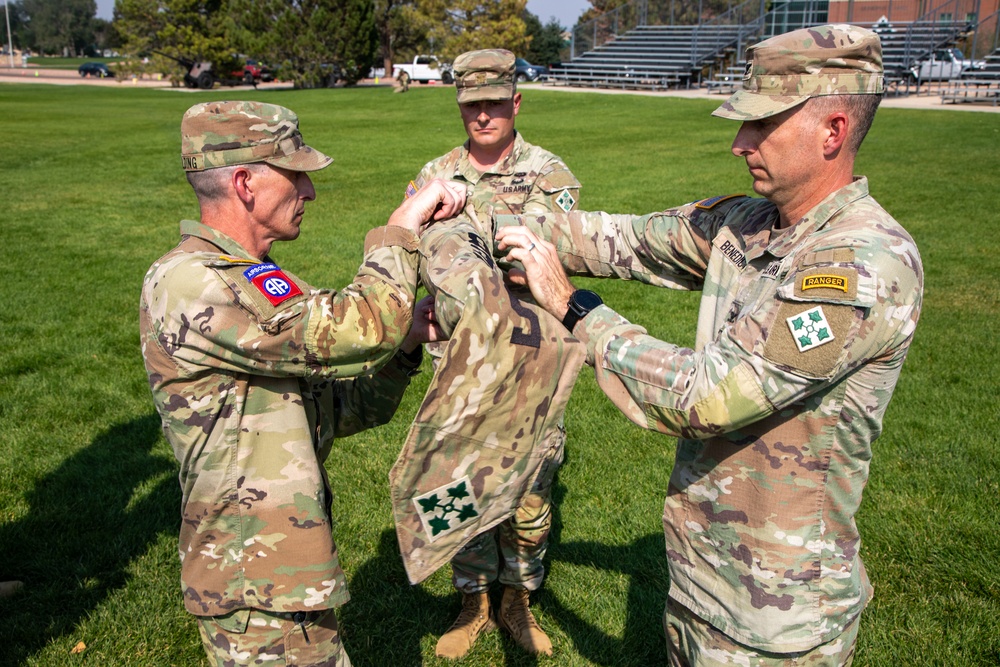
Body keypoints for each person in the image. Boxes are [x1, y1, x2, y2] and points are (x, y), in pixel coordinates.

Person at [495, 24, 923, 665]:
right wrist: (492, 223)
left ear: (833, 131)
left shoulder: (862, 266)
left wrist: (572, 306)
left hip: (776, 616)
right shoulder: (750, 223)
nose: (738, 143)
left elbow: (710, 396)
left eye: (761, 126)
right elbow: (627, 238)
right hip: (699, 580)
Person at [139, 100, 464, 666]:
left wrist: (406, 343)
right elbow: (360, 327)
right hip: (255, 583)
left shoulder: (251, 279)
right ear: (244, 183)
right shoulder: (194, 282)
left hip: (281, 572)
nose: (310, 192)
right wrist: (400, 228)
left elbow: (336, 407)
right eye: (297, 175)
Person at [410, 48, 580, 659]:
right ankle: (473, 597)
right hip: (459, 364)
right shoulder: (436, 171)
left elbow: (535, 250)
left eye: (492, 103)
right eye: (470, 105)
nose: (482, 115)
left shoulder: (548, 173)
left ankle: (519, 597)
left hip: (530, 361)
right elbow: (417, 245)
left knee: (530, 492)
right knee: (459, 483)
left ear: (516, 101)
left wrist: (461, 219)